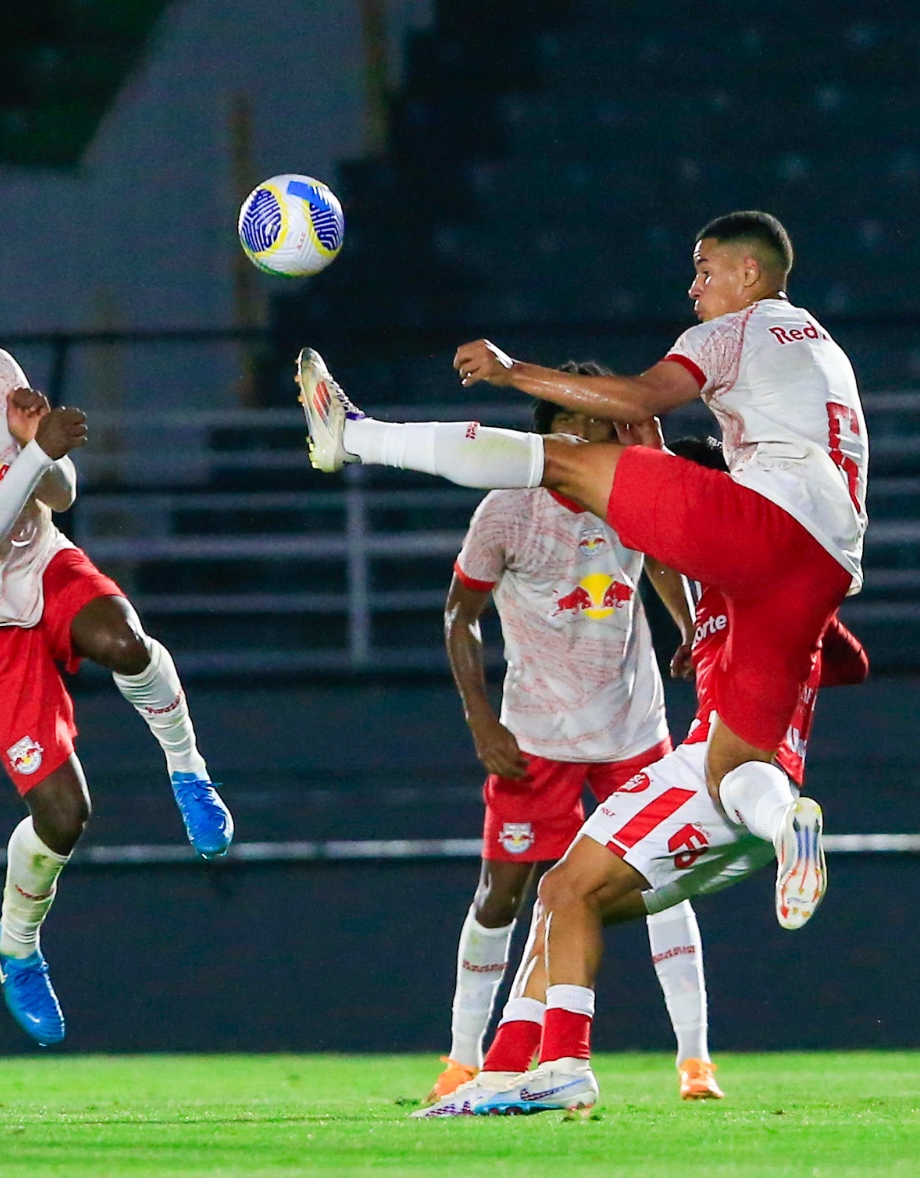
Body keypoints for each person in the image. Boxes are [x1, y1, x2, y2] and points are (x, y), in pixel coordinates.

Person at [299, 210, 867, 1110]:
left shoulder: (737, 327)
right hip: (821, 569)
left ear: (751, 275)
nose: (694, 287)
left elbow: (642, 401)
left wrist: (511, 368)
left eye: (705, 269)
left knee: (559, 462)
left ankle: (356, 435)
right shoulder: (823, 353)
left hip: (766, 529)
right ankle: (547, 1062)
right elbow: (845, 658)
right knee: (720, 784)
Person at [417, 435, 868, 1116]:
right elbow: (851, 664)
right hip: (758, 811)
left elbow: (662, 519)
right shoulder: (782, 577)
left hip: (712, 773)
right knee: (569, 903)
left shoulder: (735, 560)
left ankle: (563, 1066)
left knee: (564, 887)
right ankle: (507, 1072)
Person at [0, 282, 233, 1047]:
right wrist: (33, 454)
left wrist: (36, 451)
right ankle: (16, 945)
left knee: (125, 641)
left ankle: (187, 768)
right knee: (64, 816)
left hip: (40, 560)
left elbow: (57, 495)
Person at [426, 374, 723, 1109]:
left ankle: (695, 1062)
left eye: (599, 420)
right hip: (537, 734)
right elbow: (460, 614)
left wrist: (688, 626)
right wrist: (480, 720)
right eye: (574, 420)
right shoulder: (506, 509)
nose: (591, 433)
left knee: (664, 882)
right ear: (547, 432)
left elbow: (657, 555)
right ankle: (464, 1060)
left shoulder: (629, 491)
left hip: (631, 726)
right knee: (503, 892)